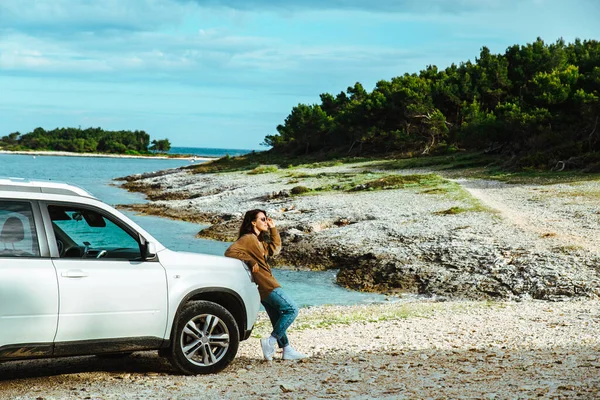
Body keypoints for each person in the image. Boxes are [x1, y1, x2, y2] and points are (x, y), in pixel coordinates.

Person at [224, 209, 307, 361]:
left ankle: (286, 349)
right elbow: (230, 252)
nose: (266, 221)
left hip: (262, 285)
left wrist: (273, 228)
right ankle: (271, 341)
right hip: (265, 284)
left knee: (276, 316)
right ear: (253, 222)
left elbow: (275, 249)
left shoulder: (259, 241)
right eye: (263, 219)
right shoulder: (248, 238)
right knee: (291, 309)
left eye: (266, 218)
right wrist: (250, 261)